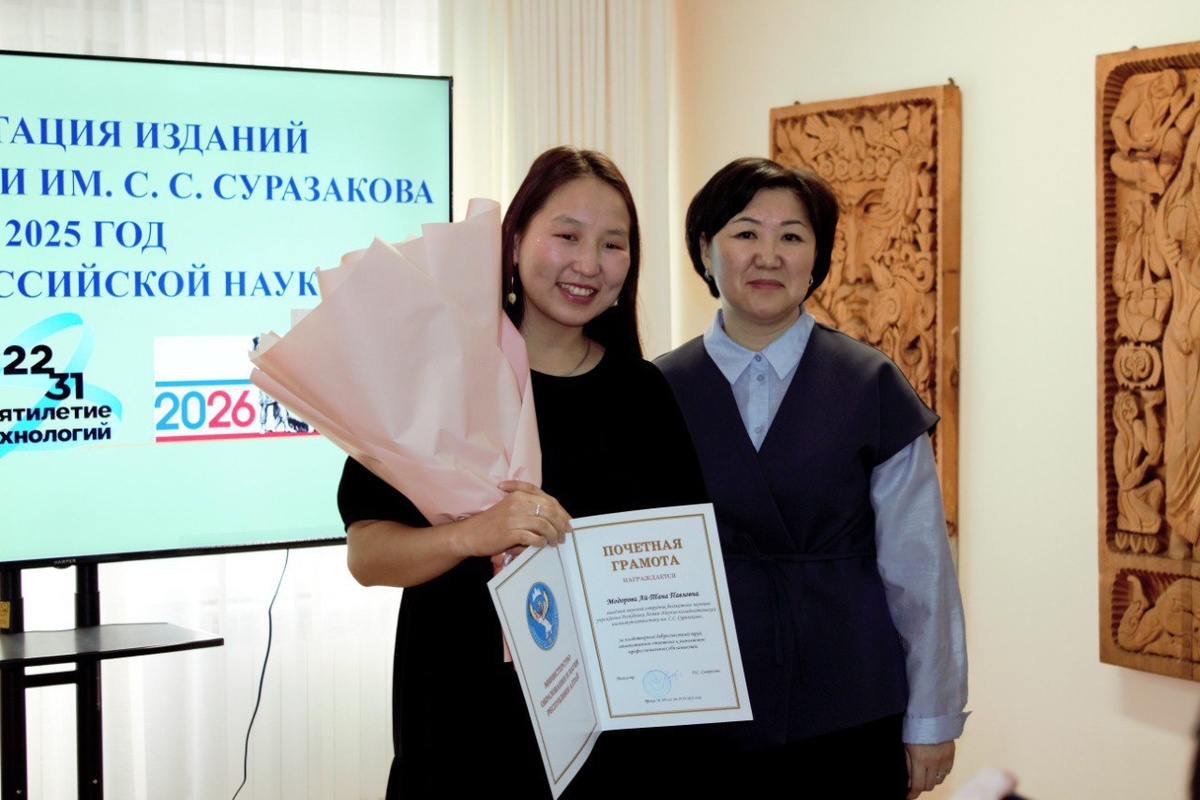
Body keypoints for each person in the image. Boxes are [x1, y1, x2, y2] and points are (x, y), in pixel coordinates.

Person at [337, 146, 706, 799]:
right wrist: (470, 535)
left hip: (611, 729)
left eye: (613, 244)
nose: (588, 264)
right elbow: (367, 556)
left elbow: (679, 566)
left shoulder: (644, 394)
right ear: (513, 243)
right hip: (462, 725)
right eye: (567, 236)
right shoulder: (445, 377)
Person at [656, 157, 968, 798]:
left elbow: (920, 570)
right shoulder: (657, 389)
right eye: (746, 233)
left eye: (792, 236)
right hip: (698, 708)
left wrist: (932, 718)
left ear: (818, 258)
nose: (768, 256)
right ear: (705, 249)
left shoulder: (871, 384)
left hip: (852, 703)